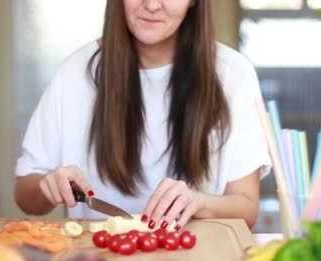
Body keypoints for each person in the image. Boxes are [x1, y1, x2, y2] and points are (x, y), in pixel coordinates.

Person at [14, 0, 271, 230]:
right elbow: (25, 196)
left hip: (198, 260)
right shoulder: (74, 72)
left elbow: (246, 207)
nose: (151, 5)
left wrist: (200, 202)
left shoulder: (233, 73)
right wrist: (48, 186)